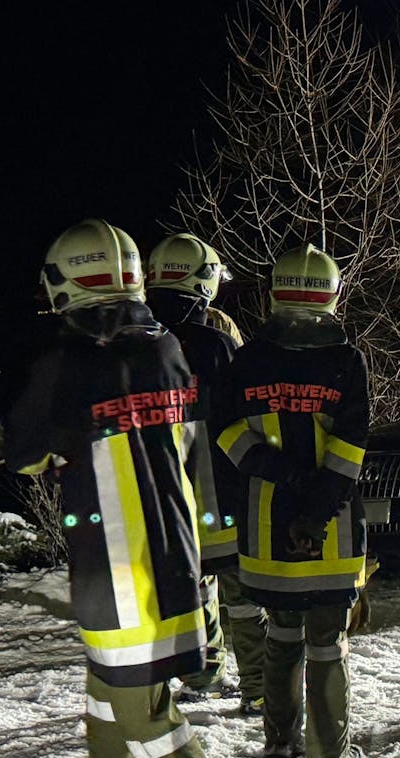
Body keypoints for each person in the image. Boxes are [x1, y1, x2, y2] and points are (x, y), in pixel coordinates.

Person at [0, 219, 226, 758]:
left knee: (143, 712)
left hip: (118, 569)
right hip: (174, 559)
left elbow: (21, 452)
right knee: (108, 691)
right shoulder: (168, 347)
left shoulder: (65, 364)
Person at [215, 244, 370, 758]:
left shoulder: (247, 359)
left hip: (264, 522)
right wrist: (317, 505)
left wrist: (282, 477)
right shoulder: (346, 361)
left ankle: (280, 744)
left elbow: (229, 435)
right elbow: (351, 447)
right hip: (333, 526)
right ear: (332, 294)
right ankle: (330, 757)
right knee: (327, 639)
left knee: (281, 632)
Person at [145, 233, 266, 714]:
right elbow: (246, 416)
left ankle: (202, 671)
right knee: (242, 592)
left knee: (191, 585)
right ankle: (258, 687)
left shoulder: (138, 345)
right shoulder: (218, 345)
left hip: (162, 496)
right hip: (221, 490)